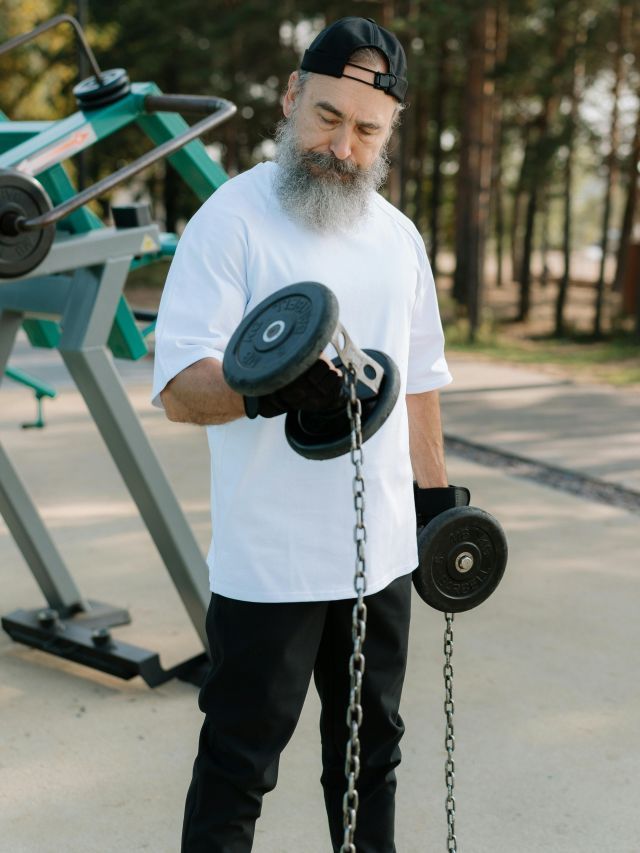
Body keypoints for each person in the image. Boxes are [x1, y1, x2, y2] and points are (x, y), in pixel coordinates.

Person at [152, 16, 455, 853]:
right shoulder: (232, 219)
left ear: (390, 132)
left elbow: (420, 381)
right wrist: (267, 393)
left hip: (382, 555)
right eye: (327, 116)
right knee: (239, 763)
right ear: (291, 97)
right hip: (271, 560)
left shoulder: (399, 237)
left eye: (367, 130)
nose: (343, 147)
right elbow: (179, 388)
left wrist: (437, 506)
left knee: (371, 759)